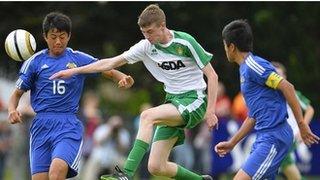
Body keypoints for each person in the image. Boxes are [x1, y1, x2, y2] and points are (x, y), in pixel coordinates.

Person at [50, 4, 218, 180]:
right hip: (173, 101)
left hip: (194, 99)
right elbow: (109, 63)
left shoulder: (185, 42)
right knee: (156, 166)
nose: (147, 36)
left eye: (150, 31)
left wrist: (211, 111)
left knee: (147, 116)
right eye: (144, 32)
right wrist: (73, 71)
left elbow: (212, 76)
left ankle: (125, 174)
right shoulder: (145, 46)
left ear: (163, 25)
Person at [7, 12, 134, 180]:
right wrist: (11, 110)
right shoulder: (34, 63)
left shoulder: (77, 58)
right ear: (45, 37)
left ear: (69, 36)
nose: (58, 41)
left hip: (67, 125)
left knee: (57, 171)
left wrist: (121, 77)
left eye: (62, 36)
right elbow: (16, 94)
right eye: (53, 37)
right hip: (41, 126)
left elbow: (104, 67)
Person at [214, 19, 319, 180]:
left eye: (224, 45)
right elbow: (253, 116)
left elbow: (288, 88)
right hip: (264, 136)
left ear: (232, 46)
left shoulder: (253, 65)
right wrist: (232, 143)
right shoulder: (244, 70)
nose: (225, 50)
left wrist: (302, 124)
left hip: (273, 137)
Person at [272, 61, 315, 180]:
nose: (277, 78)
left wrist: (303, 128)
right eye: (274, 75)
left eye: (279, 75)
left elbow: (310, 109)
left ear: (285, 77)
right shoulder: (269, 95)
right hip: (278, 136)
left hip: (290, 136)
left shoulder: (290, 93)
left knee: (283, 164)